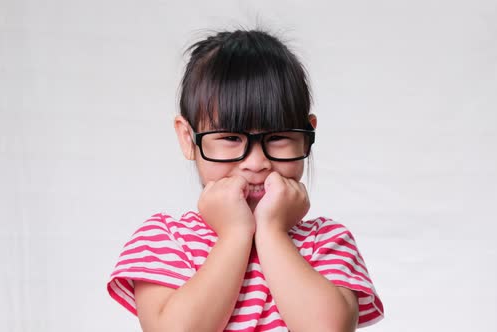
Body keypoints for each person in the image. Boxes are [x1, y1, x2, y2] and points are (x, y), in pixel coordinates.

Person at [107, 29, 384, 331]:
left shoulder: (327, 242)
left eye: (277, 137)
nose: (256, 163)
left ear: (307, 136)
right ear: (188, 139)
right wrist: (235, 234)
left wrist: (272, 231)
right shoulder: (165, 240)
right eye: (230, 138)